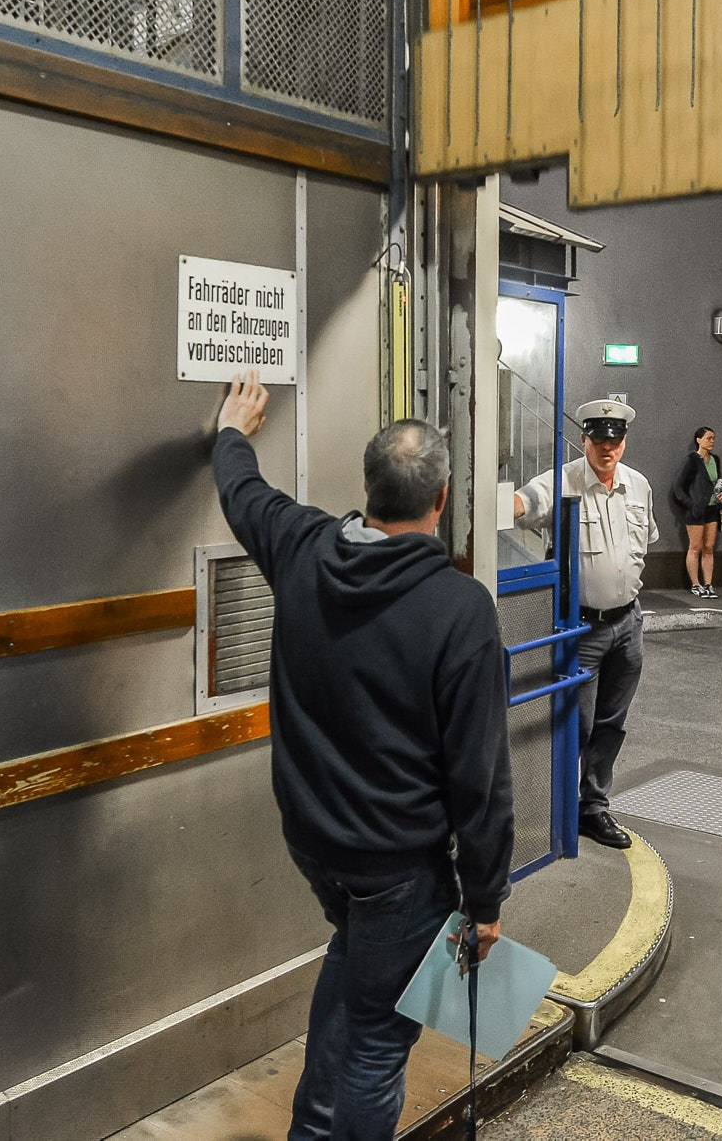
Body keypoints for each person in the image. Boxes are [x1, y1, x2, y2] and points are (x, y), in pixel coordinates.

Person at [210, 372, 513, 1141]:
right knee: (380, 1040)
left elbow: (243, 493)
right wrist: (485, 902)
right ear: (441, 501)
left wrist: (232, 430)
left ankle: (310, 1132)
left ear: (368, 488)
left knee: (356, 978)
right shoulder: (460, 607)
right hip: (397, 869)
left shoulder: (304, 549)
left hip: (317, 848)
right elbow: (478, 778)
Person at [511, 397, 656, 850]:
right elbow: (530, 501)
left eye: (613, 441)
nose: (606, 449)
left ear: (624, 442)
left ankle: (594, 806)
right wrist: (500, 503)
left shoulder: (638, 486)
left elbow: (644, 542)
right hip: (584, 629)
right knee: (579, 723)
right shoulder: (565, 481)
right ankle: (555, 811)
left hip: (627, 622)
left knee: (612, 722)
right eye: (597, 440)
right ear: (584, 440)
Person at [668, 426, 722, 598]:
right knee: (695, 547)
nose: (712, 441)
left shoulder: (715, 459)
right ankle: (695, 584)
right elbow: (677, 487)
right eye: (709, 438)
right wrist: (690, 504)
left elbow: (719, 481)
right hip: (696, 511)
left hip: (712, 508)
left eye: (713, 438)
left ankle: (708, 583)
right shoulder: (692, 460)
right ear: (698, 440)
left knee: (709, 547)